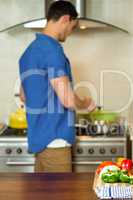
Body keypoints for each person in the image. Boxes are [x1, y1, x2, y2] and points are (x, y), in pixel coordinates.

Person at [19, 1, 96, 172]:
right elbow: (68, 100)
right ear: (66, 19)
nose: (70, 32)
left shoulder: (29, 52)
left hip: (38, 139)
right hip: (56, 141)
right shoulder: (52, 51)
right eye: (72, 26)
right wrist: (86, 103)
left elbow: (24, 95)